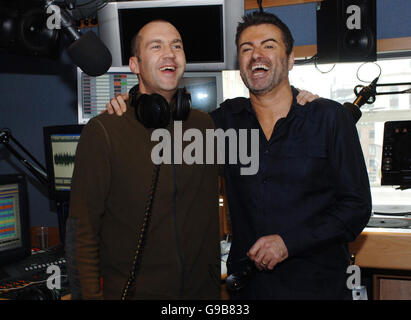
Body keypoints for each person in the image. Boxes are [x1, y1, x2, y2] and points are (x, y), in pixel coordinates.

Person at [106, 12, 372, 300]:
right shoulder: (222, 123)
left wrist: (288, 243)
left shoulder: (329, 118)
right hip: (251, 289)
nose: (257, 54)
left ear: (291, 59)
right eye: (247, 49)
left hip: (320, 288)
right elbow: (164, 137)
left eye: (268, 46)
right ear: (241, 65)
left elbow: (356, 208)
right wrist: (131, 103)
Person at [68, 20, 221, 300]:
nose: (170, 53)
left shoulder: (203, 124)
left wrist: (300, 99)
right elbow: (83, 231)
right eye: (156, 46)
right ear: (135, 65)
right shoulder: (104, 130)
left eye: (177, 45)